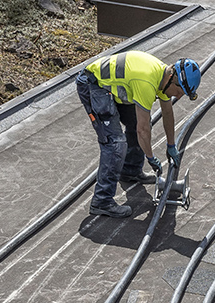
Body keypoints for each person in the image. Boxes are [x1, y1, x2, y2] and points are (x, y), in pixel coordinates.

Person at [75, 51, 201, 217]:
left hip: (111, 88)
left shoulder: (163, 78)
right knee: (115, 143)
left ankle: (130, 170)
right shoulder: (146, 81)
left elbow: (168, 113)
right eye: (179, 91)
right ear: (172, 77)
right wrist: (150, 157)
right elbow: (142, 130)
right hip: (94, 85)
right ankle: (102, 201)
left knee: (137, 124)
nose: (178, 96)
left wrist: (171, 145)